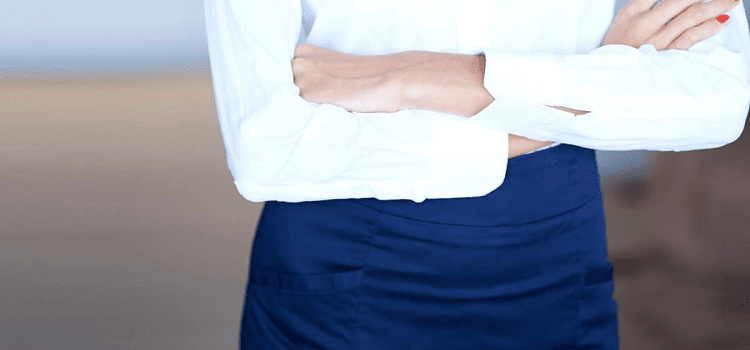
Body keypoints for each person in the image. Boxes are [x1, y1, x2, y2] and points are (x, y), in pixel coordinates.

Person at [203, 0, 750, 348]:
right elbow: (268, 150)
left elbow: (715, 100)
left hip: (556, 254)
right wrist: (586, 88)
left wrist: (417, 76)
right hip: (346, 272)